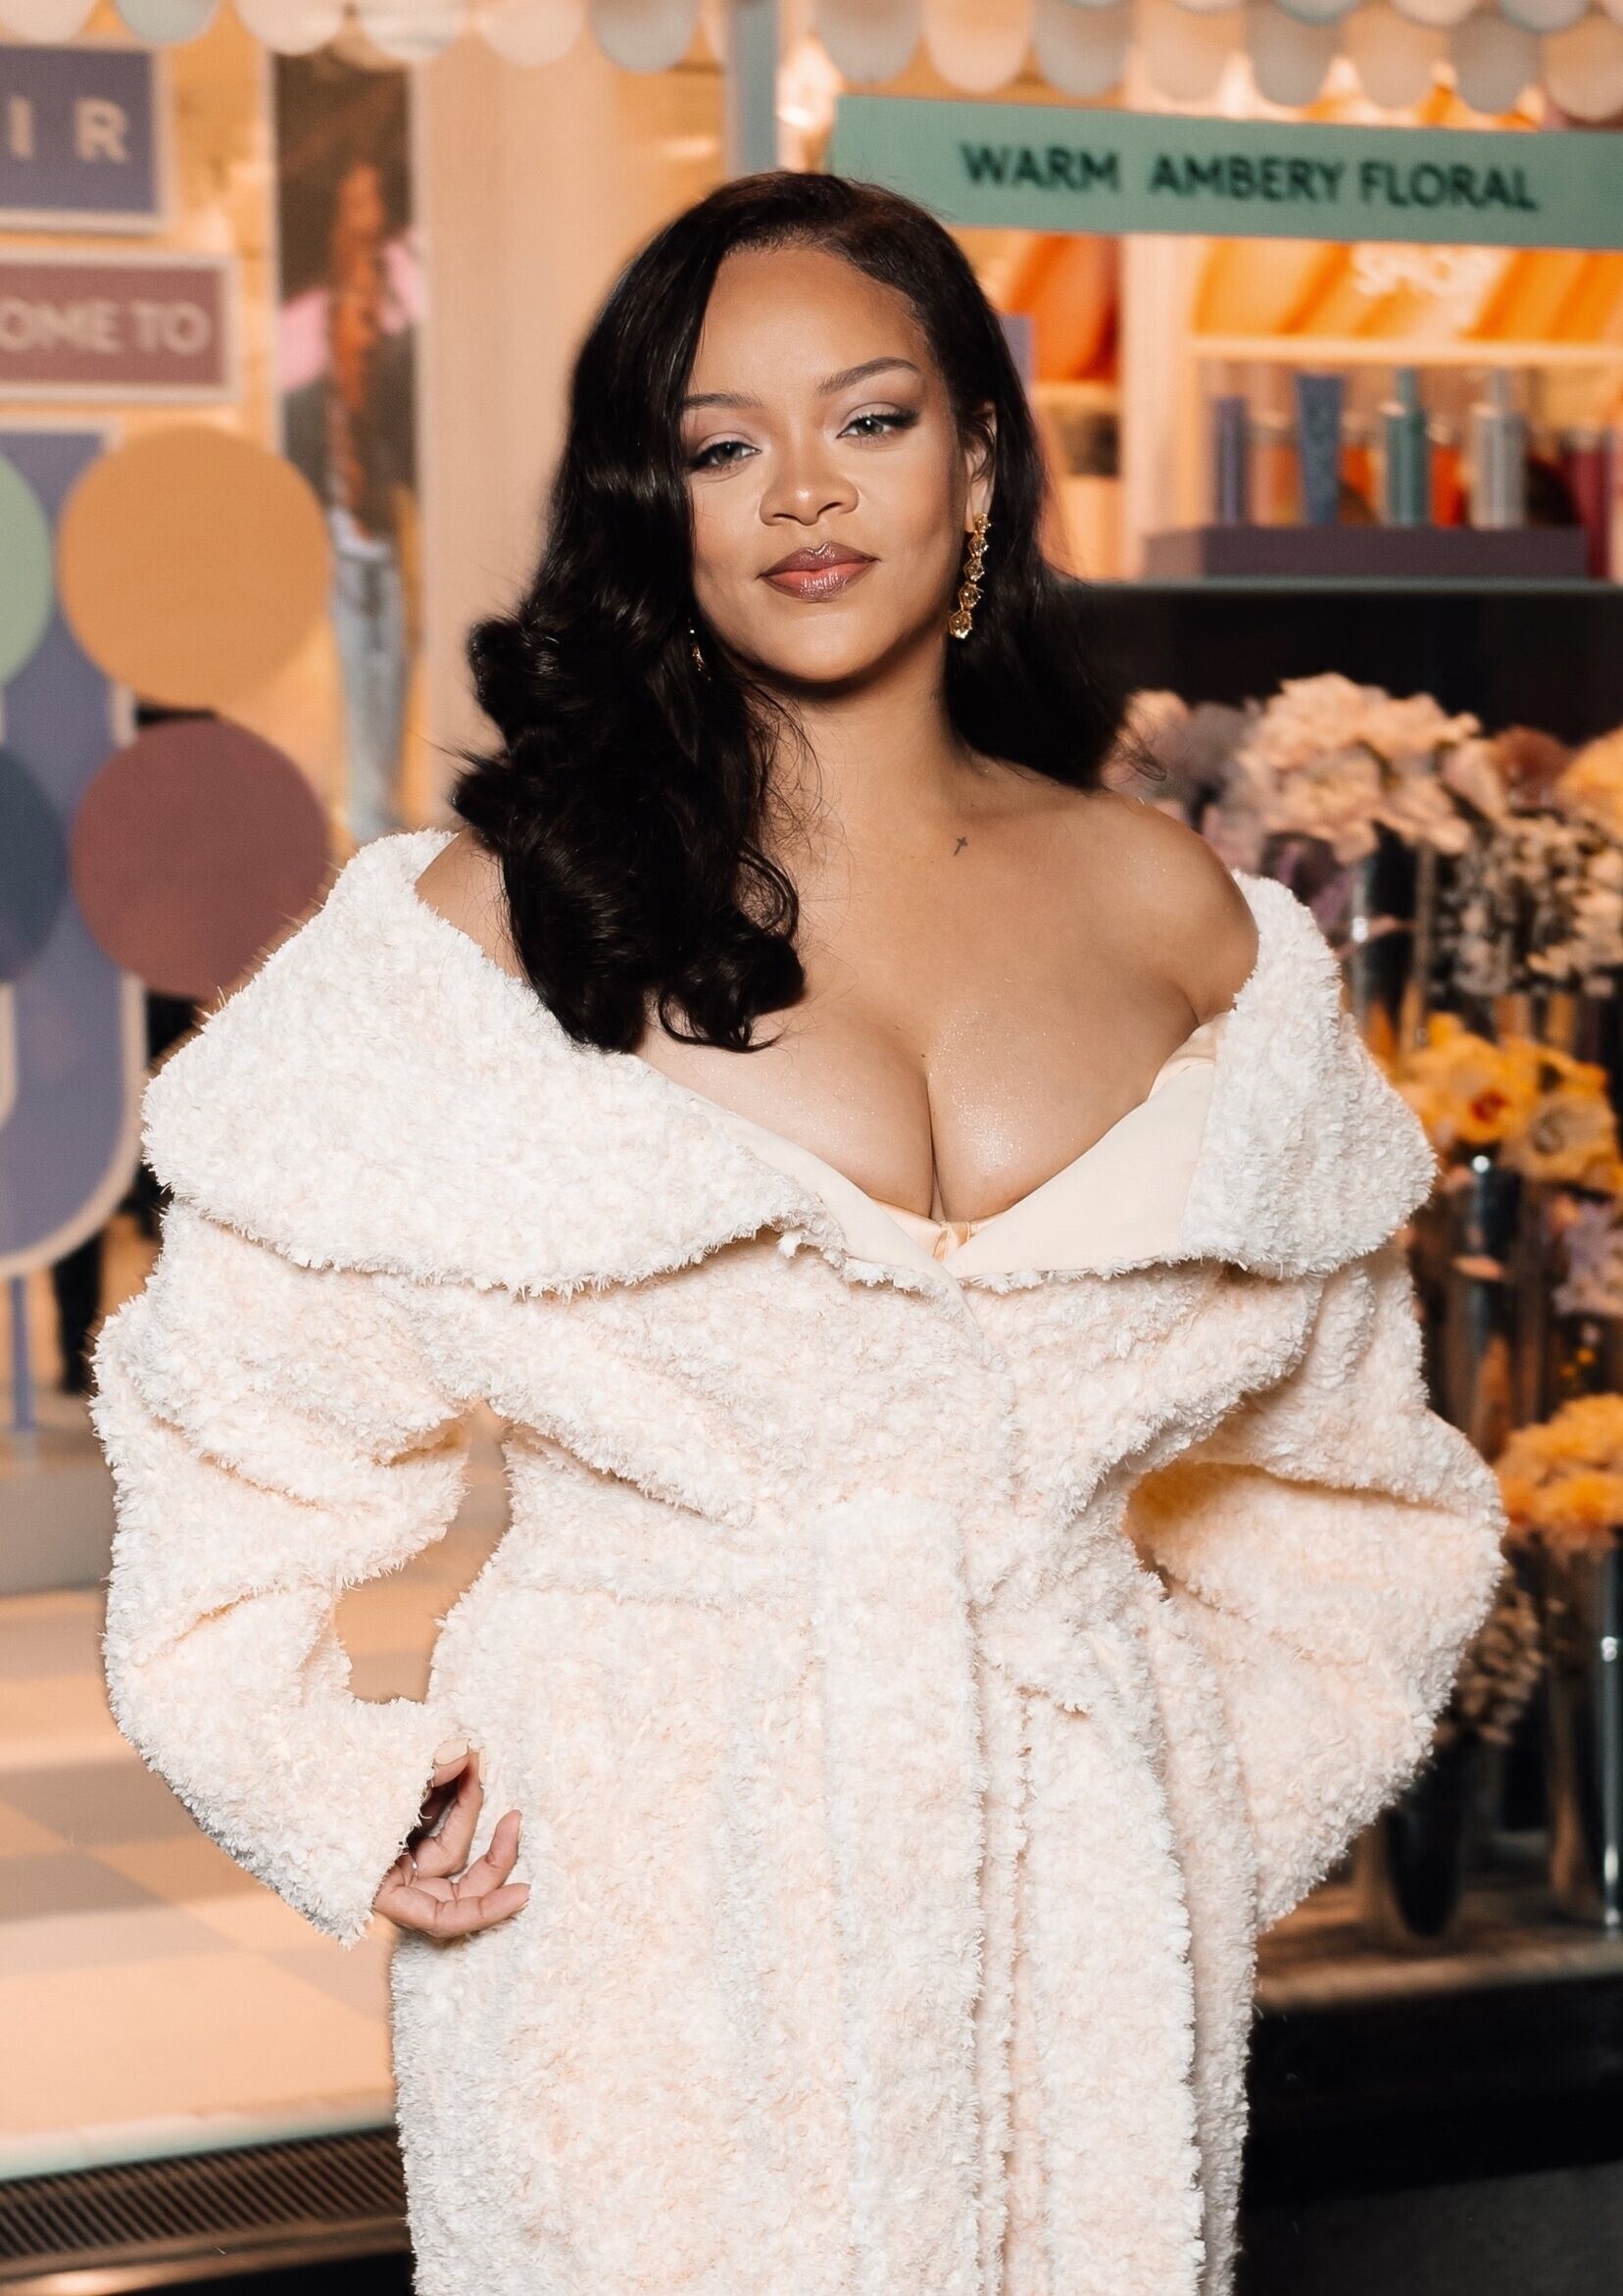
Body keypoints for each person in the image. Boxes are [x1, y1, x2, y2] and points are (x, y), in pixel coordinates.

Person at [91, 175, 1506, 2296]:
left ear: (981, 459)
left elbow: (1360, 1496)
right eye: (720, 443)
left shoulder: (1187, 918)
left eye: (870, 417)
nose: (802, 494)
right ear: (648, 502)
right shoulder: (490, 930)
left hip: (1073, 1948)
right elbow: (230, 1444)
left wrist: (1185, 1811)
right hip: (640, 1924)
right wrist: (333, 1779)